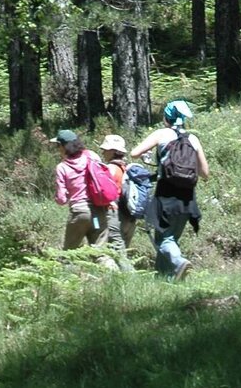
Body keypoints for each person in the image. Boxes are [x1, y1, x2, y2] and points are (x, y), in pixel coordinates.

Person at [130, 100, 210, 281]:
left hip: (166, 192)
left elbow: (134, 153)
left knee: (163, 240)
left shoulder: (161, 134)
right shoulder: (192, 139)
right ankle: (164, 279)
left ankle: (179, 262)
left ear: (166, 118)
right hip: (188, 196)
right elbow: (205, 173)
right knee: (171, 237)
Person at [53, 129, 113, 258]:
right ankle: (112, 276)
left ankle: (65, 277)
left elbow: (61, 200)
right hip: (98, 212)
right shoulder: (91, 156)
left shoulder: (62, 167)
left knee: (69, 255)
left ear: (64, 147)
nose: (57, 149)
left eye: (58, 145)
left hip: (79, 213)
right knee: (101, 254)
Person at [97, 133, 136, 273]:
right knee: (121, 249)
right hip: (130, 216)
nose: (102, 151)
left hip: (115, 214)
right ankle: (119, 282)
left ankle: (132, 279)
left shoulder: (110, 169)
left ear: (113, 151)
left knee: (117, 250)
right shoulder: (127, 168)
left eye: (105, 149)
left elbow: (104, 192)